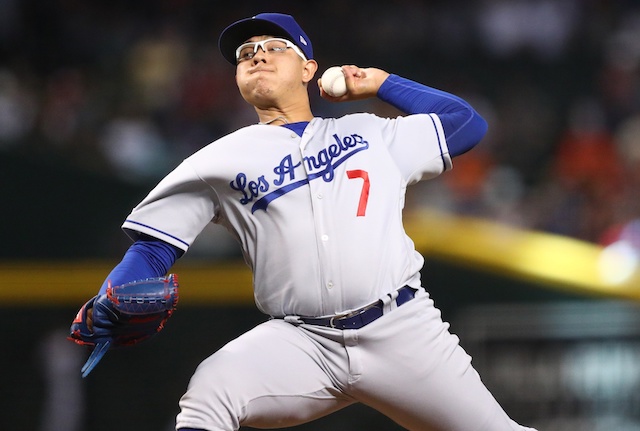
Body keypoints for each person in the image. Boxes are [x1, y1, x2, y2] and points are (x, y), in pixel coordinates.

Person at [71, 12, 538, 431]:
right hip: (302, 342)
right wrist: (110, 294)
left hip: (401, 329)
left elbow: (466, 123)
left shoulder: (370, 132)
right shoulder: (216, 161)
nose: (257, 57)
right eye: (245, 54)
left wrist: (379, 82)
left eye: (274, 48)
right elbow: (152, 249)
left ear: (309, 69)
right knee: (211, 392)